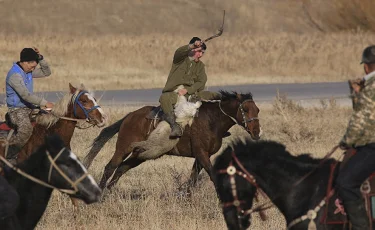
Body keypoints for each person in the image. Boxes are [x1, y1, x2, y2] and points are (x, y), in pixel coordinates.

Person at [337, 45, 375, 230]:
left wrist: (347, 141)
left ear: (366, 66)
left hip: (372, 146)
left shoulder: (371, 85)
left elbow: (360, 116)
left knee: (345, 182)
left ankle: (361, 226)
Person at [159, 37, 220, 138]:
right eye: (199, 51)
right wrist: (192, 46)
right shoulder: (179, 60)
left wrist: (188, 90)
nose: (200, 55)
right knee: (164, 98)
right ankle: (175, 126)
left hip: (192, 94)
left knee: (215, 95)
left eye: (203, 53)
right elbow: (179, 52)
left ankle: (218, 128)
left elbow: (202, 82)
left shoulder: (200, 66)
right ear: (192, 50)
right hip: (175, 93)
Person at [4, 47, 54, 158]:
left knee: (51, 120)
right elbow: (25, 95)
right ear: (25, 62)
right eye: (32, 67)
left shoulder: (28, 70)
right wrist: (44, 102)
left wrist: (40, 59)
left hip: (30, 108)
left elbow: (47, 72)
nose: (33, 70)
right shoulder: (14, 75)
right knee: (26, 130)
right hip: (17, 110)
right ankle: (10, 155)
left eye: (34, 67)